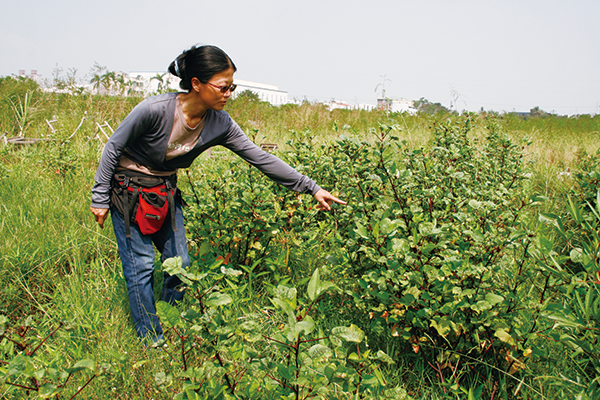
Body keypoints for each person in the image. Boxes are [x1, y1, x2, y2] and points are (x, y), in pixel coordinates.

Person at [90, 44, 345, 342]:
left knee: (180, 263)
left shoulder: (219, 123)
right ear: (196, 84)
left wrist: (311, 187)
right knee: (141, 265)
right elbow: (113, 147)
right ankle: (151, 340)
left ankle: (173, 325)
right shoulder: (154, 109)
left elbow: (260, 157)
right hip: (128, 191)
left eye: (232, 87)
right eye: (223, 87)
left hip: (165, 190)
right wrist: (99, 197)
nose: (228, 94)